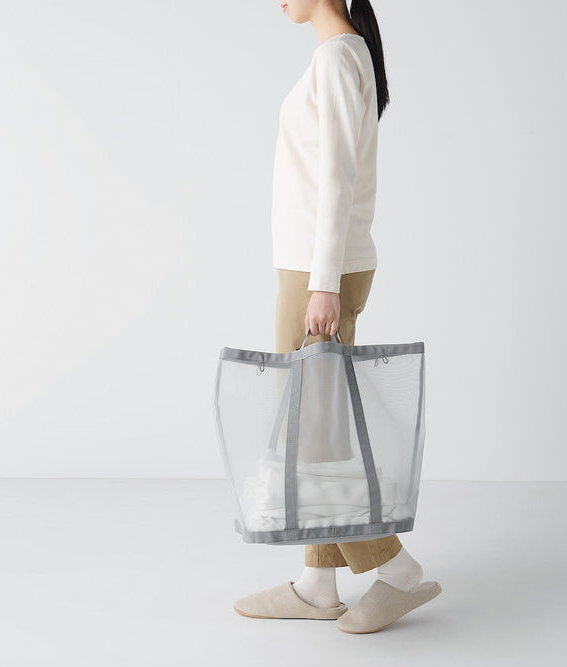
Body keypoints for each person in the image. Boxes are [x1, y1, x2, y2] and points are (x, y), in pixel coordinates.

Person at [233, 0, 441, 634]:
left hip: (317, 273)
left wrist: (322, 284)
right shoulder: (345, 55)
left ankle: (399, 571)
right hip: (311, 269)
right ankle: (317, 585)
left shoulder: (336, 57)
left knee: (310, 437)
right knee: (315, 432)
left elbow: (337, 178)